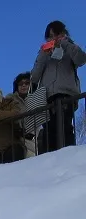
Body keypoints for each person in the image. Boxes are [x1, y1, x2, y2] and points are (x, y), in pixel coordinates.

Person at [31, 20, 86, 154]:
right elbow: (34, 77)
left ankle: (68, 155)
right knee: (50, 130)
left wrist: (65, 44)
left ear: (63, 34)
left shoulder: (70, 47)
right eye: (50, 36)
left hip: (66, 94)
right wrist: (43, 54)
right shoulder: (44, 54)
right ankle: (51, 159)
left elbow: (81, 59)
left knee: (65, 127)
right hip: (47, 96)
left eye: (57, 34)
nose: (53, 39)